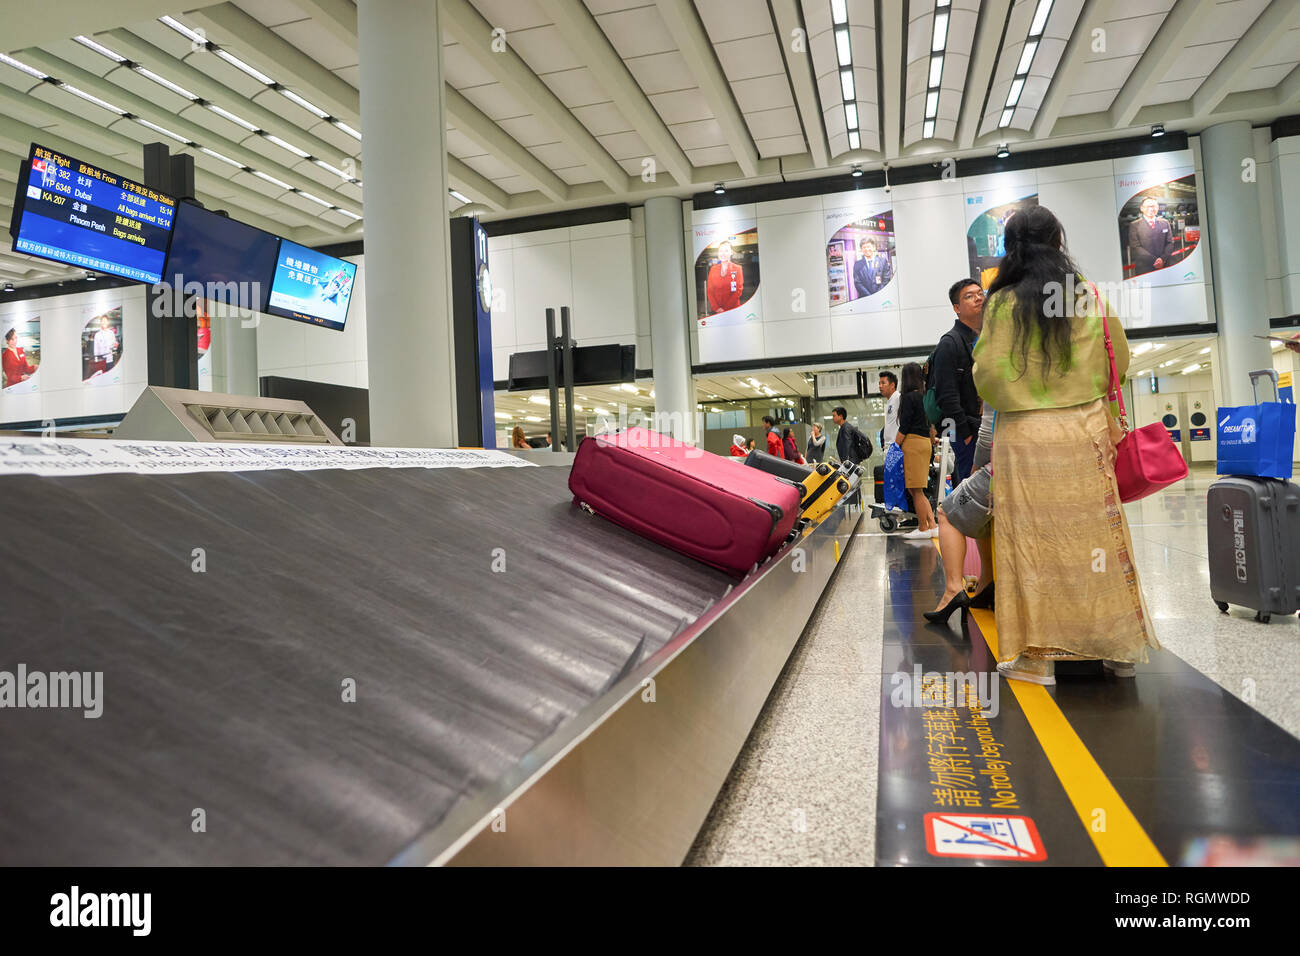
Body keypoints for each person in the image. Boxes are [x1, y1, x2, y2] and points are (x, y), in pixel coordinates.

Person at [973, 204, 1158, 685]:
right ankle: (1118, 651)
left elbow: (987, 378)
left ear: (1011, 249)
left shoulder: (1001, 304)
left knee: (1032, 543)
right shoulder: (1090, 297)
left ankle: (1039, 658)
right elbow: (1120, 360)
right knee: (1097, 539)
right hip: (1085, 432)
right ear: (1059, 242)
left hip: (1025, 439)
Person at [924, 405, 996, 623]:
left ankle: (953, 589)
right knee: (980, 515)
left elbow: (987, 433)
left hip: (1008, 465)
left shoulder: (999, 372)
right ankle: (987, 582)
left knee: (947, 510)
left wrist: (975, 468)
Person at [931, 279, 985, 481]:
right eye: (969, 296)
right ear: (957, 308)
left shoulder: (987, 337)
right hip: (968, 432)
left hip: (988, 428)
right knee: (971, 489)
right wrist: (965, 434)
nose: (978, 298)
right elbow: (946, 396)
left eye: (980, 293)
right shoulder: (950, 343)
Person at [895, 363, 937, 539]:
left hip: (912, 443)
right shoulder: (924, 396)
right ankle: (932, 525)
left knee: (915, 489)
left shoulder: (907, 398)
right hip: (925, 443)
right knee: (917, 489)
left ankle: (922, 528)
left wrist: (895, 446)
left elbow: (904, 425)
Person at [1128, 197, 1174, 277]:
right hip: (1145, 267)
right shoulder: (1134, 225)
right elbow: (1135, 246)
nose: (1151, 209)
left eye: (1153, 206)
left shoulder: (1165, 223)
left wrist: (1162, 259)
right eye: (1148, 206)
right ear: (1142, 208)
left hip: (1165, 265)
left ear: (1158, 207)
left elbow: (1170, 243)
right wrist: (1155, 261)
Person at [706, 240, 744, 314]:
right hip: (717, 311)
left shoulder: (737, 269)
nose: (723, 254)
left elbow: (737, 291)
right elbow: (710, 291)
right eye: (720, 251)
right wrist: (716, 308)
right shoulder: (713, 269)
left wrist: (725, 309)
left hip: (733, 310)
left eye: (726, 250)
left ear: (731, 252)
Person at [878, 370, 900, 447]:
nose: (880, 386)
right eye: (879, 383)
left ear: (892, 385)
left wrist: (897, 445)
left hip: (895, 446)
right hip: (889, 445)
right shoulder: (889, 401)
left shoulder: (898, 398)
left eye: (883, 383)